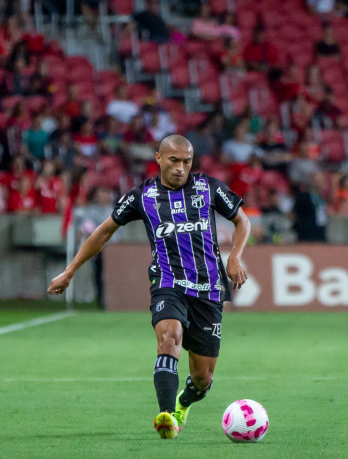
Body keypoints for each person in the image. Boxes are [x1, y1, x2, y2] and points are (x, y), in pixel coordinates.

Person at [47, 135, 250, 440]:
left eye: (187, 161)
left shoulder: (208, 187)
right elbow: (103, 232)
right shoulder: (142, 196)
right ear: (158, 158)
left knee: (202, 378)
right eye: (174, 161)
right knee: (169, 337)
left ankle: (183, 402)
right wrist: (70, 270)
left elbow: (242, 221)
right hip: (167, 283)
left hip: (208, 288)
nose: (181, 168)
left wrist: (234, 256)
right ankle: (167, 416)